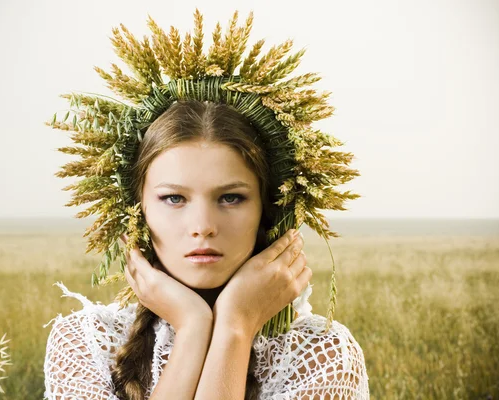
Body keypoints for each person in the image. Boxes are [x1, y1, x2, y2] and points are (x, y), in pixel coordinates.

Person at [43, 9, 369, 399]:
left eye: (230, 197)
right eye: (174, 198)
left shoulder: (323, 355)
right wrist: (194, 327)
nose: (203, 225)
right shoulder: (86, 343)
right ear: (137, 210)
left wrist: (235, 325)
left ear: (270, 209)